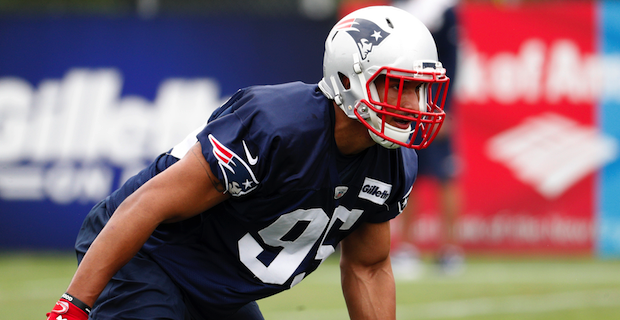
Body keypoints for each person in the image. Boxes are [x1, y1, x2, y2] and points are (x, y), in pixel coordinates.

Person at [46, 5, 450, 320]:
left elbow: (369, 267)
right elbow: (147, 204)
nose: (415, 105)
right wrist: (73, 304)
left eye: (421, 90)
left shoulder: (394, 162)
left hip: (218, 285)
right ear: (349, 79)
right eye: (401, 88)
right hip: (153, 254)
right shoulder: (278, 127)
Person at [389, 0, 464, 278]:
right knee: (407, 172)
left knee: (446, 175)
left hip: (433, 103)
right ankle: (406, 247)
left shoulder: (442, 8)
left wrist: (444, 107)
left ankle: (450, 250)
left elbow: (452, 63)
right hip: (404, 103)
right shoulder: (397, 8)